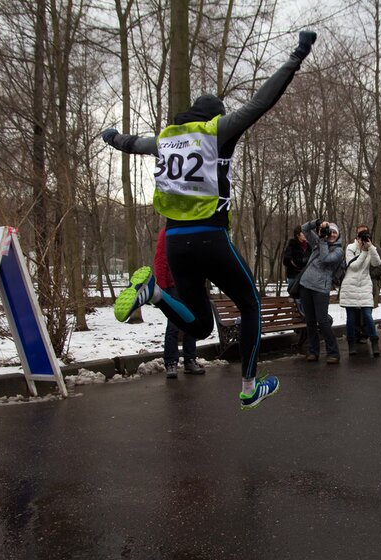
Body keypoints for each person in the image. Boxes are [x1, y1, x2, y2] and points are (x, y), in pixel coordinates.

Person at [101, 31, 318, 409]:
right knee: (250, 304)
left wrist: (113, 137)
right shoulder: (216, 131)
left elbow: (135, 143)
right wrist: (297, 56)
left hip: (174, 243)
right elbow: (261, 102)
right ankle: (250, 386)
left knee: (199, 325)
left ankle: (152, 293)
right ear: (216, 116)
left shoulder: (167, 138)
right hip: (210, 238)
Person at [154, 227, 205, 378]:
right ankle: (171, 363)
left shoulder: (193, 229)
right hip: (173, 285)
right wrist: (162, 286)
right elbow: (160, 257)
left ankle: (190, 360)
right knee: (174, 325)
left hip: (191, 285)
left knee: (192, 323)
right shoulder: (167, 230)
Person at [299, 219, 343, 364]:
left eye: (334, 232)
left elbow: (325, 259)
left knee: (323, 321)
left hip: (321, 289)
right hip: (306, 285)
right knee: (310, 321)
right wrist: (317, 222)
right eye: (330, 231)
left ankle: (334, 353)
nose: (331, 234)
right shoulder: (318, 242)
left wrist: (323, 240)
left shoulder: (338, 250)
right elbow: (304, 228)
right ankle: (313, 351)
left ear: (338, 235)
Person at [339, 225, 381, 357]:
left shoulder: (370, 248)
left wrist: (371, 248)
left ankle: (374, 341)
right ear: (356, 238)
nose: (362, 241)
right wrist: (363, 252)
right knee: (351, 318)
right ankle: (351, 344)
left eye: (365, 238)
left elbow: (377, 263)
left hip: (364, 285)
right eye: (360, 238)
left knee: (368, 316)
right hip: (350, 286)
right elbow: (354, 266)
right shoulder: (350, 248)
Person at [283, 225, 311, 312]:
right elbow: (286, 261)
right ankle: (298, 318)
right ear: (298, 235)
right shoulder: (291, 246)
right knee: (296, 298)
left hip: (305, 275)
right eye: (303, 233)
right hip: (293, 276)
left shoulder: (309, 247)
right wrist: (296, 264)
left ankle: (305, 318)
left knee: (305, 298)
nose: (305, 235)